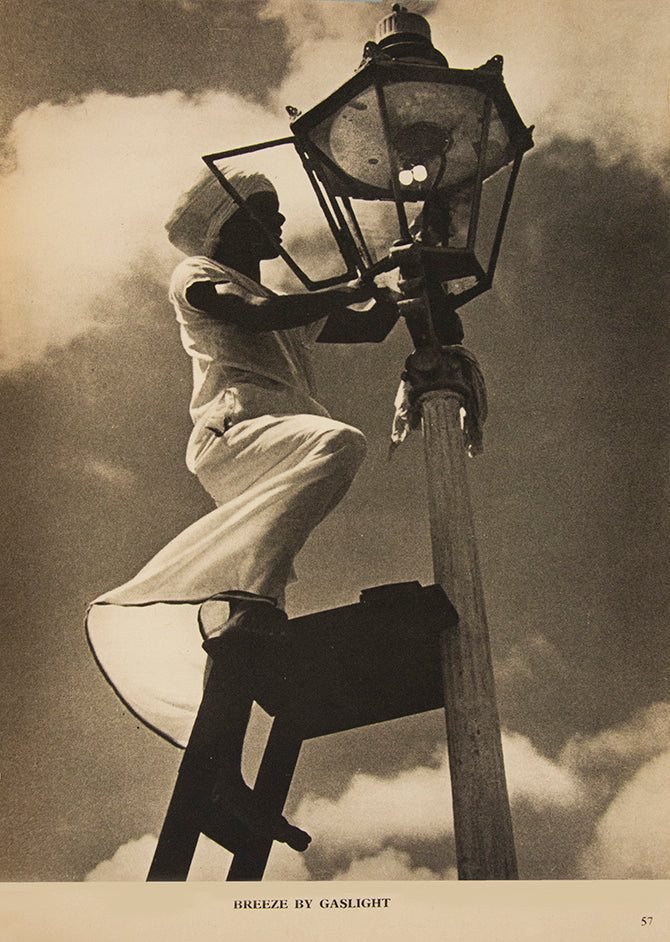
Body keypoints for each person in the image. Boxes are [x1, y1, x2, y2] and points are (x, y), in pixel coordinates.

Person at [86, 168, 394, 852]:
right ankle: (231, 598)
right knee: (339, 443)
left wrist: (403, 281)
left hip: (275, 445)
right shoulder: (197, 273)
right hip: (237, 434)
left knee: (251, 623)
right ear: (227, 226)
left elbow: (371, 328)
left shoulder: (279, 300)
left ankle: (223, 775)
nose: (280, 224)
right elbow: (250, 313)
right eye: (266, 211)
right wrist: (351, 286)